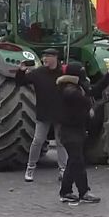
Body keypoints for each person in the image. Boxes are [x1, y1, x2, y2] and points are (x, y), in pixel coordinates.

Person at [57, 62, 109, 204]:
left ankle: (66, 191)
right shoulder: (68, 90)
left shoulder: (77, 88)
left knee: (72, 162)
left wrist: (108, 76)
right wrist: (99, 103)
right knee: (78, 162)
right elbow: (86, 103)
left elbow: (93, 90)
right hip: (70, 132)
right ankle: (84, 192)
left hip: (77, 131)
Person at [16, 48, 68, 182]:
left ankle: (63, 170)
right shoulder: (38, 73)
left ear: (55, 58)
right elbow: (21, 82)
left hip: (60, 112)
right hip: (44, 112)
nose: (45, 59)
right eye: (44, 57)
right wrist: (21, 71)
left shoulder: (63, 73)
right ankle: (30, 168)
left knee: (61, 142)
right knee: (37, 141)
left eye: (48, 57)